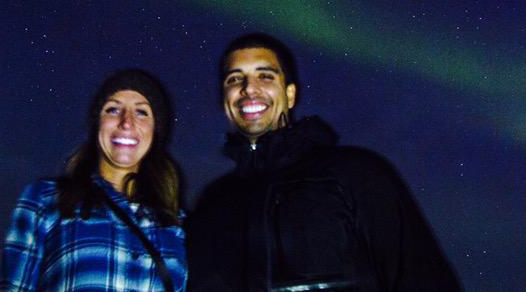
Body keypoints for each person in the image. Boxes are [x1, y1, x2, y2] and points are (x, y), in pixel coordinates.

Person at [186, 32, 460, 291]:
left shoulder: (355, 173)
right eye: (234, 79)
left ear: (290, 94)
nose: (249, 89)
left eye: (265, 76)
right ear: (225, 99)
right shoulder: (213, 202)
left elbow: (422, 278)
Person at [0, 69, 188, 291]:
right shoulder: (45, 200)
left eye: (142, 112)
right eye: (113, 109)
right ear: (97, 124)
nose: (126, 122)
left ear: (156, 131)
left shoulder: (178, 226)